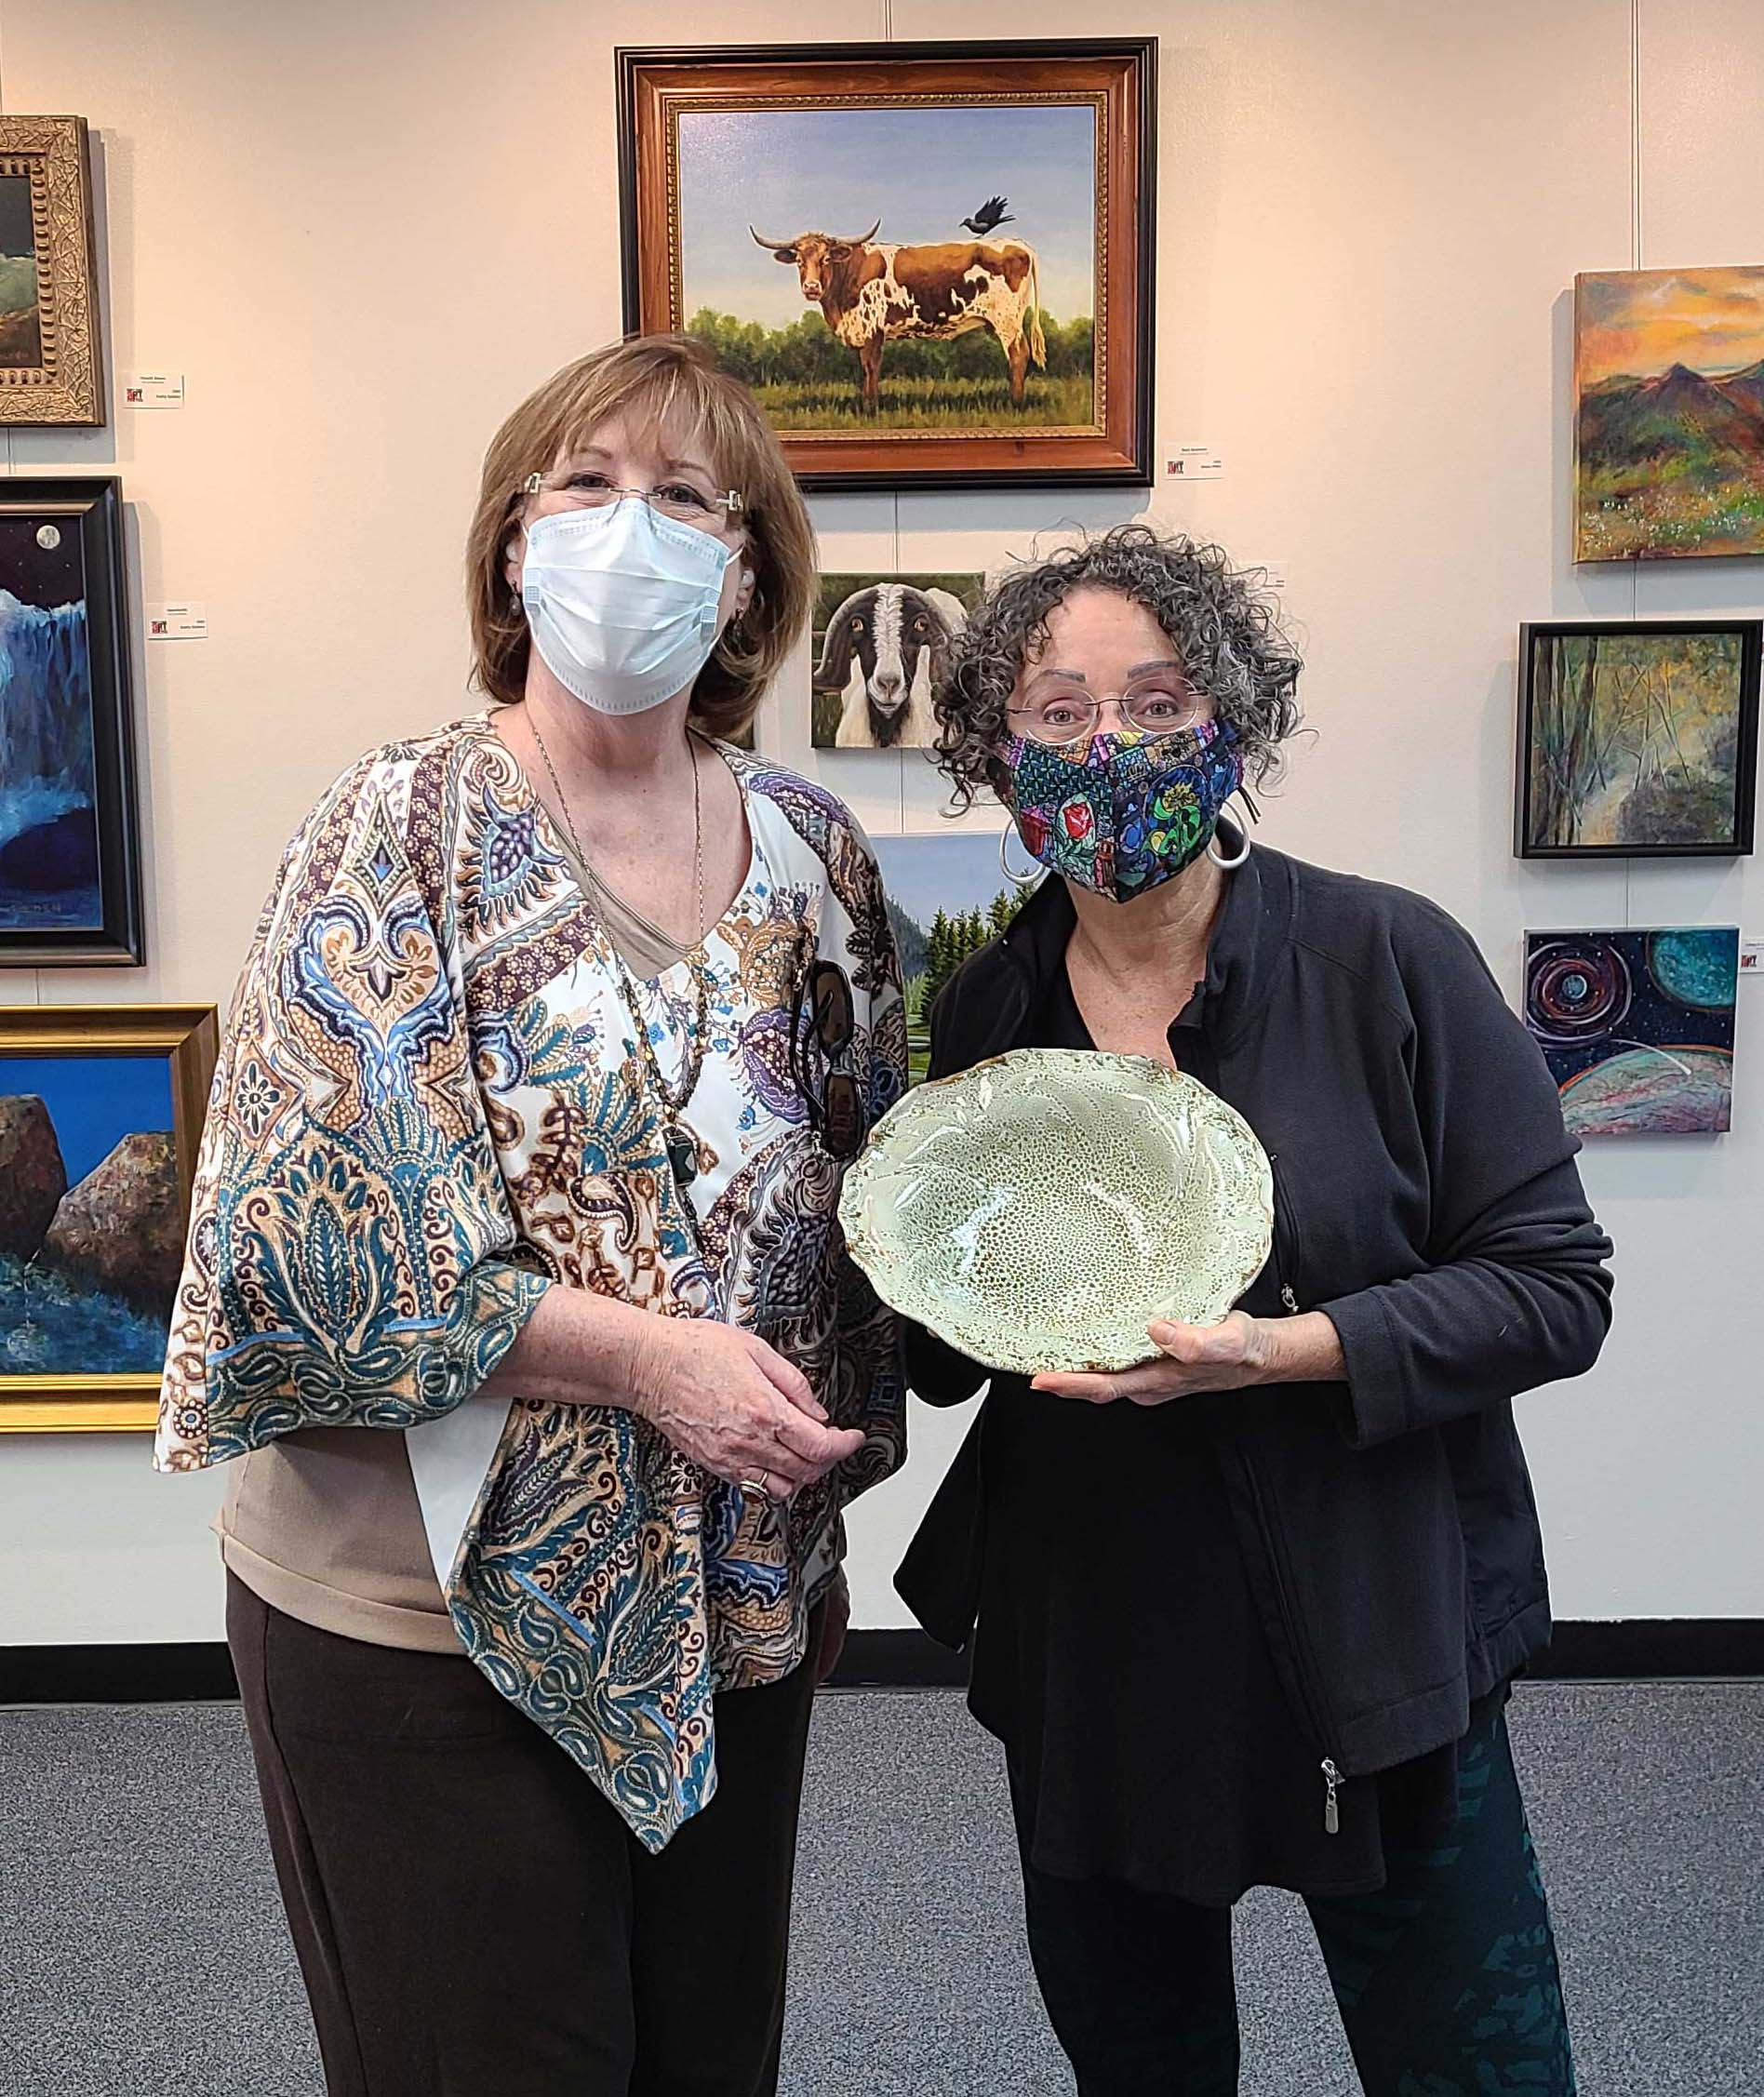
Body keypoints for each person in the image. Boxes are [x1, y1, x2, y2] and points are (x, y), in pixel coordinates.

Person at [157, 334, 906, 2097]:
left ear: (747, 573)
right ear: (512, 544)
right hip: (420, 1618)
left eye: (686, 497)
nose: (630, 530)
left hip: (733, 1603)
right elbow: (307, 1246)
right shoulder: (396, 827)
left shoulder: (815, 855)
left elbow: (869, 1193)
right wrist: (649, 1360)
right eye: (585, 485)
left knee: (704, 2062)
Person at [894, 525, 1612, 2096]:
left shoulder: (1385, 959)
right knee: (1142, 2066)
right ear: (998, 755)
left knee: (1477, 2068)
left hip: (1376, 1630)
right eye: (1062, 712)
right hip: (1102, 1648)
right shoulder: (992, 1007)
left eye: (1158, 704)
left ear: (1229, 723)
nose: (1112, 747)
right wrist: (898, 1253)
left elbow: (1556, 1288)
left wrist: (1281, 1353)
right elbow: (949, 1354)